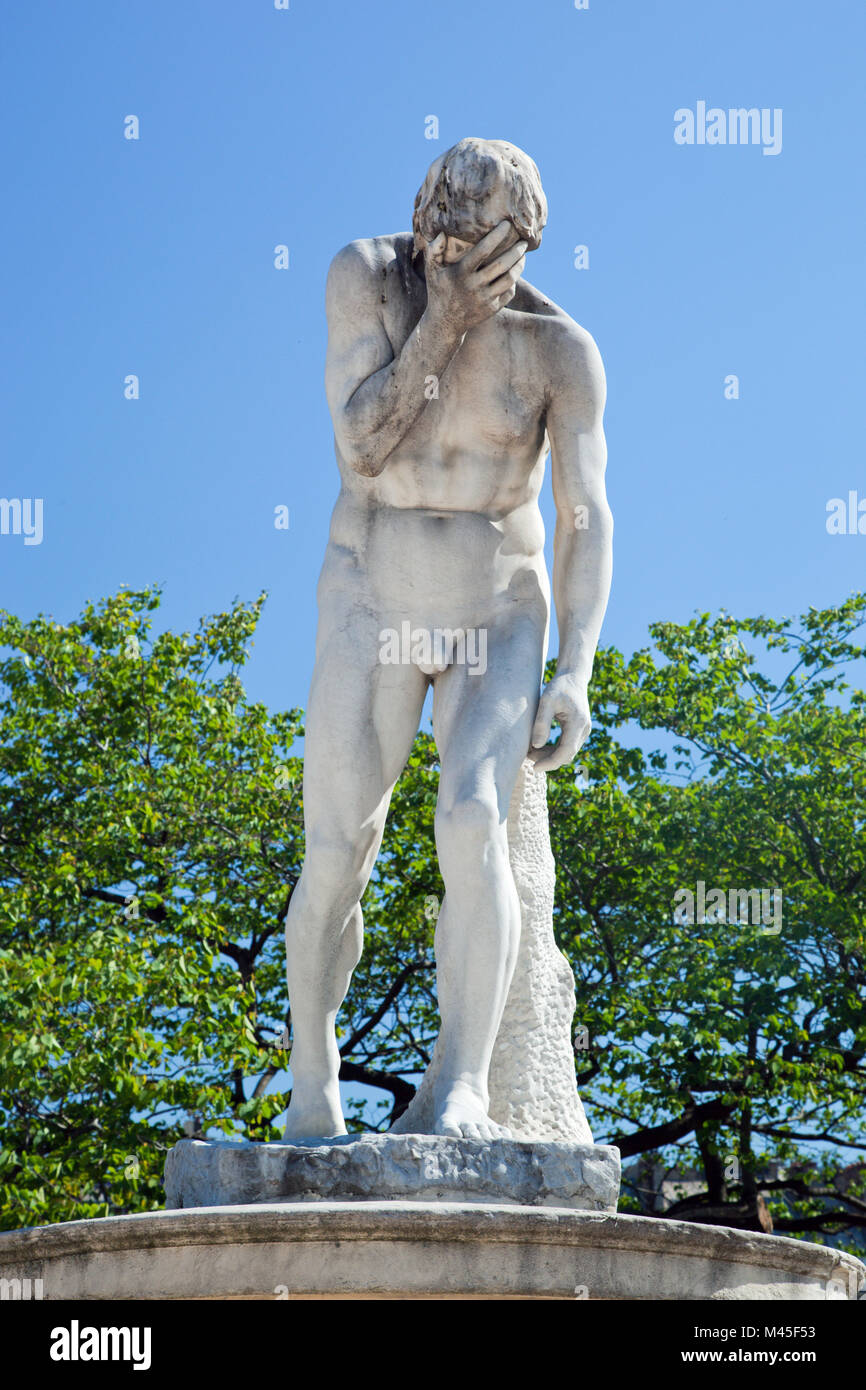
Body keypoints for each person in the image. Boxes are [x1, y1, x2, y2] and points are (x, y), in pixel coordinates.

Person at [284, 138, 612, 1142]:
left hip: (492, 610)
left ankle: (463, 1081)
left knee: (472, 822)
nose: (448, 251)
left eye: (474, 241)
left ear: (520, 242)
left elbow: (584, 516)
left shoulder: (560, 352)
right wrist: (441, 327)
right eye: (437, 227)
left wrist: (575, 669)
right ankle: (311, 1068)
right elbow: (361, 442)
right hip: (367, 596)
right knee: (337, 848)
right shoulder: (365, 280)